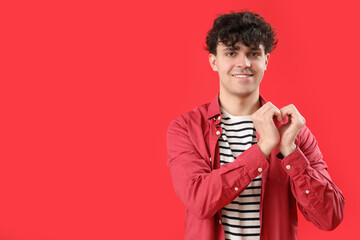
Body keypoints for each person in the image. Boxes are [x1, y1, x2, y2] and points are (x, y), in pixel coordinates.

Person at [166, 11, 345, 240]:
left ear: (266, 60)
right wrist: (263, 149)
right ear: (214, 61)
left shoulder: (293, 131)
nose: (244, 63)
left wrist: (289, 150)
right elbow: (199, 202)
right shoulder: (186, 128)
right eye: (231, 53)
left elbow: (330, 217)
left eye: (253, 53)